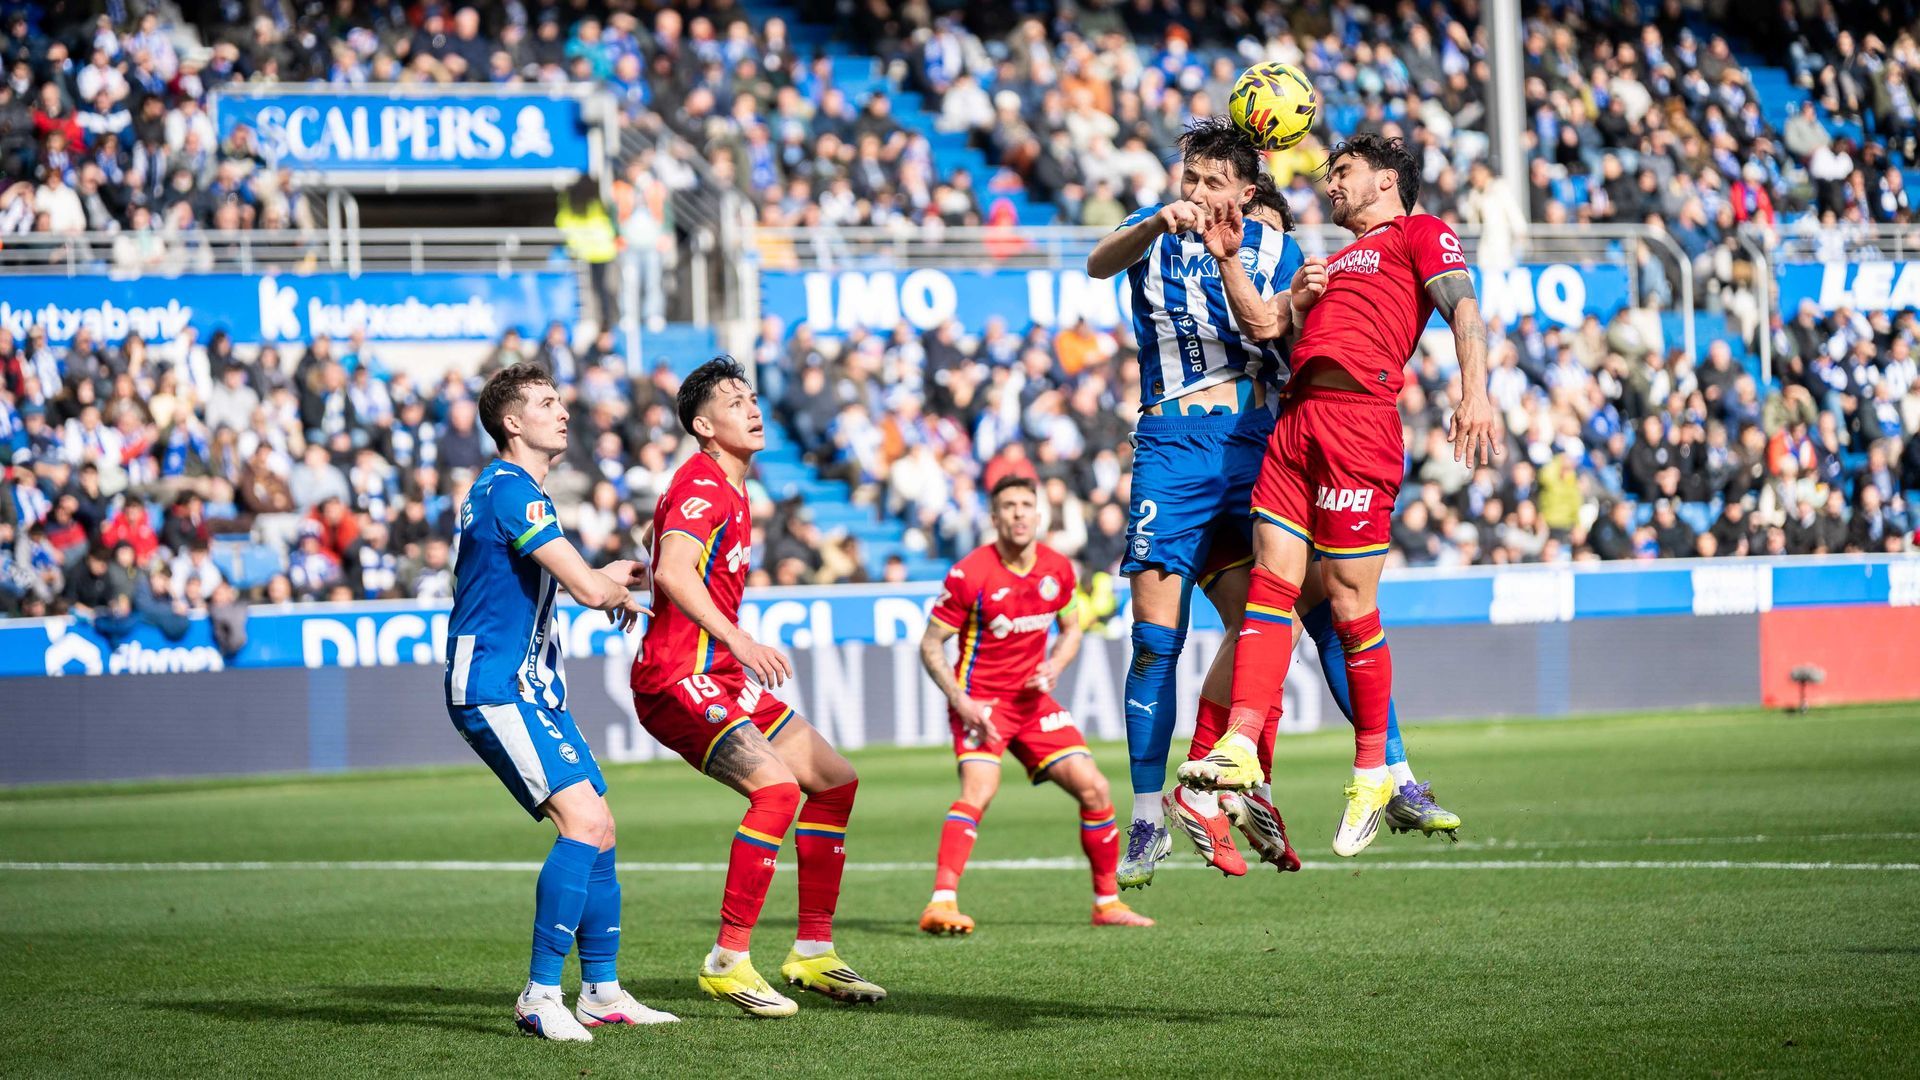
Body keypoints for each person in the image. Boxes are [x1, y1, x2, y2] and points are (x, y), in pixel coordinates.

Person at [1083, 118, 1446, 889]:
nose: (1196, 192)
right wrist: (1155, 221)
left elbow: (1294, 332)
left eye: (1213, 182)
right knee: (1155, 641)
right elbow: (1096, 263)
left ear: (1247, 192)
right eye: (1190, 179)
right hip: (1170, 450)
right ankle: (1147, 817)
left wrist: (1302, 305)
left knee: (1300, 612)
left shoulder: (1279, 247)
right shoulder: (1152, 232)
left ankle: (1379, 771)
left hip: (1255, 441)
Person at [1185, 133, 1498, 857]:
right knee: (1272, 587)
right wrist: (1230, 260)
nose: (1330, 184)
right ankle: (1240, 744)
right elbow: (1263, 325)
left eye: (1344, 171)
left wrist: (1475, 392)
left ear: (1387, 181)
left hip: (1360, 422)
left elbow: (1464, 310)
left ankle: (1373, 775)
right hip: (1295, 422)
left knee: (1352, 606)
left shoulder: (1422, 233)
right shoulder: (1329, 264)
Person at [629, 356, 885, 1017]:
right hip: (678, 677)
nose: (752, 408)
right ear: (702, 426)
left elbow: (665, 547)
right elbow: (675, 571)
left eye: (752, 398)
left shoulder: (728, 485)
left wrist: (641, 563)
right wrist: (739, 639)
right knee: (776, 791)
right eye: (734, 402)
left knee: (834, 781)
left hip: (717, 674)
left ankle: (813, 951)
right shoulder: (705, 483)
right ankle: (727, 960)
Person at [441, 362, 671, 1042]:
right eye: (546, 403)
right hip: (495, 686)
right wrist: (615, 587)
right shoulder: (513, 490)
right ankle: (540, 995)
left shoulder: (507, 491)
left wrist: (602, 577)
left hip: (528, 689)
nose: (563, 412)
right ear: (512, 422)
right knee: (584, 821)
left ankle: (601, 992)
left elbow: (565, 580)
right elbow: (591, 593)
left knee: (601, 828)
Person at [916, 475, 1153, 935]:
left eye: (1026, 504)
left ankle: (1107, 903)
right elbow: (930, 644)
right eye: (1009, 506)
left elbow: (1072, 629)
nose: (1019, 513)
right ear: (994, 517)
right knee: (980, 790)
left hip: (1032, 703)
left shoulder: (1058, 568)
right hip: (981, 704)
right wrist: (960, 700)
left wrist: (1055, 665)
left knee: (1095, 788)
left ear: (1039, 514)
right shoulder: (970, 573)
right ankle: (941, 902)